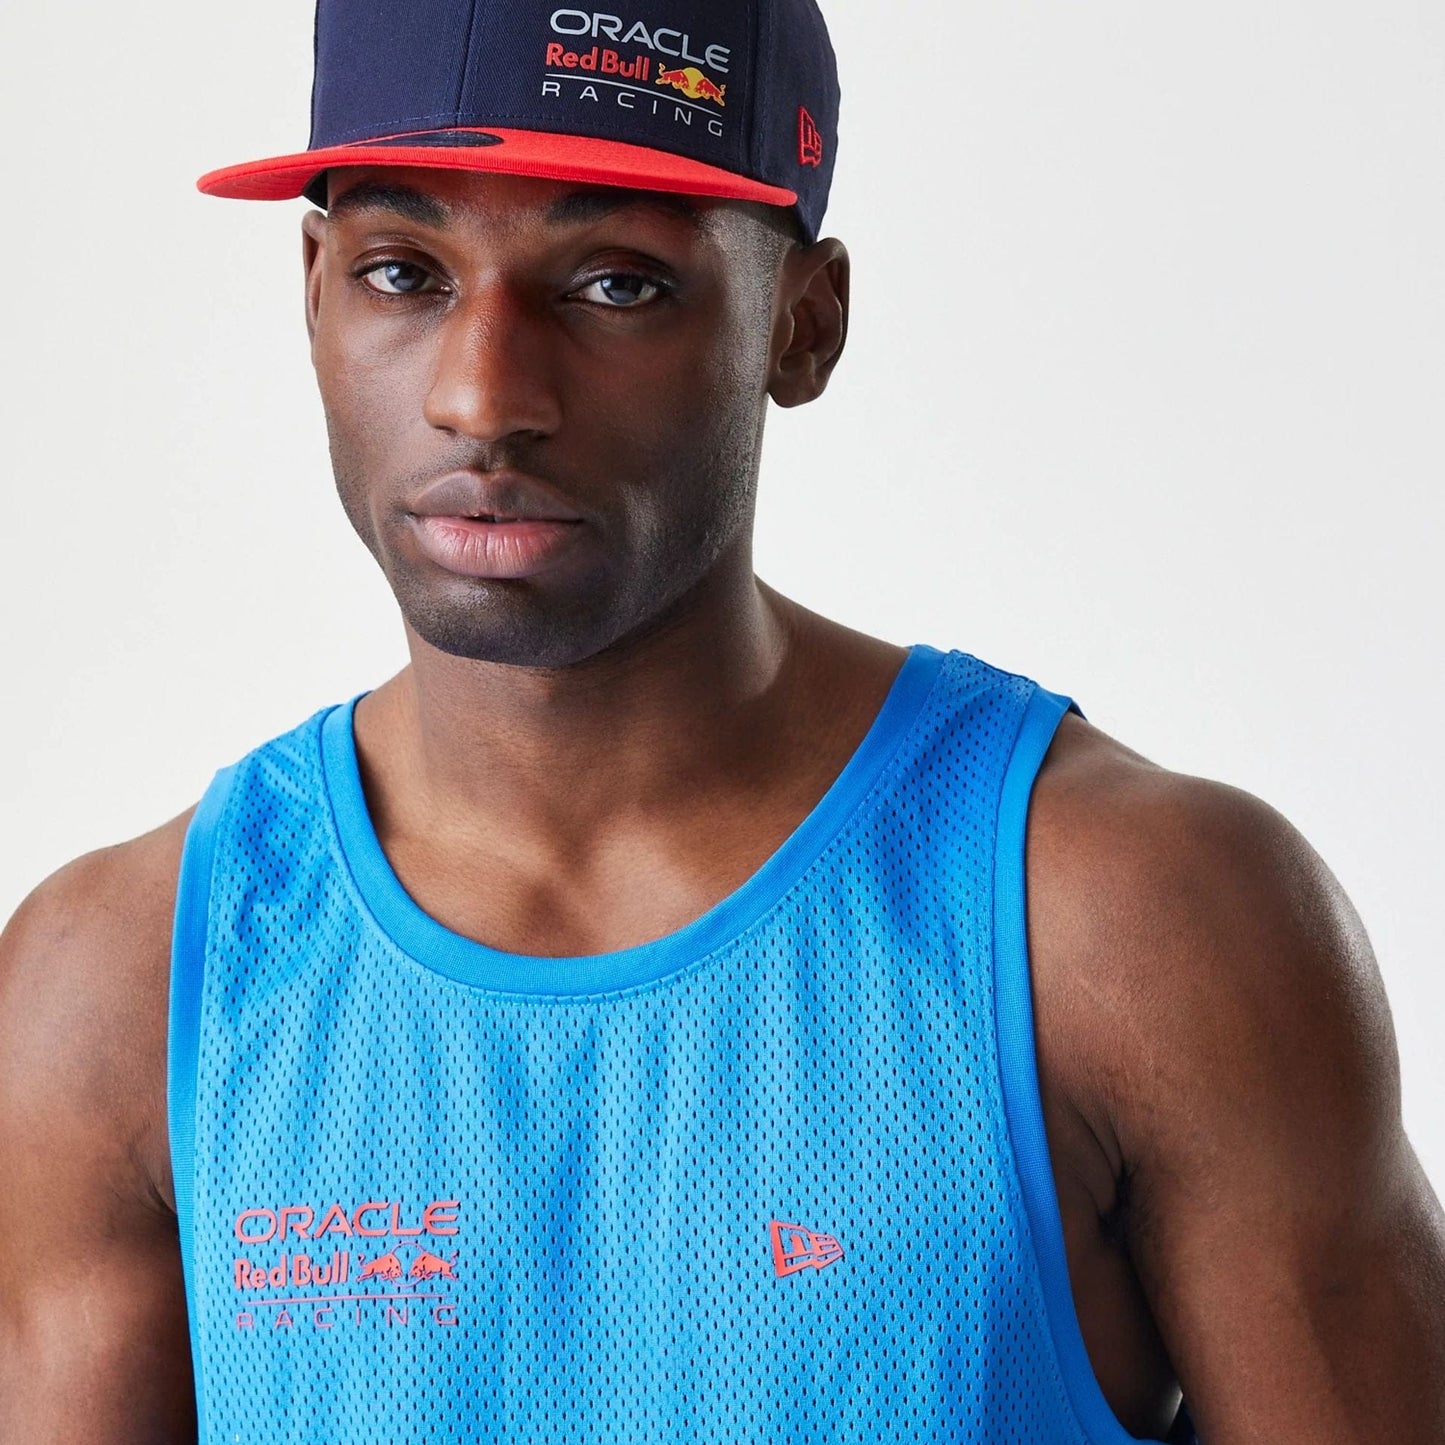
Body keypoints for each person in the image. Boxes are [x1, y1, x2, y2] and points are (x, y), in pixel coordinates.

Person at [1, 0, 1441, 1440]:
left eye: (615, 283)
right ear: (315, 290)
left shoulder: (1135, 927)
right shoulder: (119, 993)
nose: (482, 397)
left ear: (801, 324)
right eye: (403, 273)